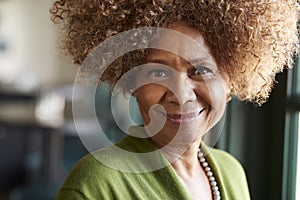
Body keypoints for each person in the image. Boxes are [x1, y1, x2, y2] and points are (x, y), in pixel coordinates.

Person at [50, 0, 299, 199]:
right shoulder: (96, 185)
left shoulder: (231, 172)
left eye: (200, 71)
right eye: (158, 73)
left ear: (230, 81)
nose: (180, 95)